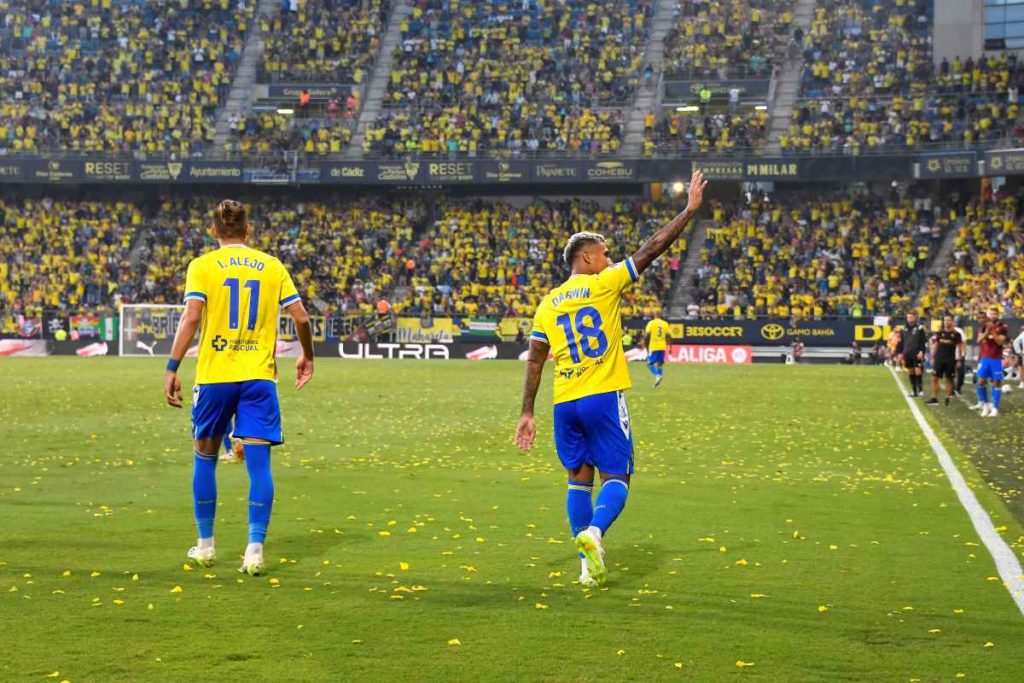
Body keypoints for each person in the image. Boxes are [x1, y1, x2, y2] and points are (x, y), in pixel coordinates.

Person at [514, 170, 708, 587]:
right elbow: (652, 248)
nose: (609, 258)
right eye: (603, 253)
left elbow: (534, 361)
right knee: (617, 478)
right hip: (602, 396)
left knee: (577, 480)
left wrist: (527, 412)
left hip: (564, 402)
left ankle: (586, 568)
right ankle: (595, 533)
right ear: (586, 258)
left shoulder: (546, 305)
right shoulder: (603, 284)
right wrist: (688, 211)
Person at [164, 199, 315, 576]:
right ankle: (254, 551)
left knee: (205, 457)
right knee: (259, 464)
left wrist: (172, 366)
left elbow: (192, 316)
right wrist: (307, 356)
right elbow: (301, 316)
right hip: (259, 377)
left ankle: (205, 547)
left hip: (215, 376)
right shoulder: (271, 266)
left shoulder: (202, 266)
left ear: (214, 231)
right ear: (249, 231)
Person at [974, 306, 1009, 417]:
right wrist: (987, 331)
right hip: (985, 359)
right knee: (980, 382)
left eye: (995, 313)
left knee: (997, 382)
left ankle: (995, 408)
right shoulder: (983, 327)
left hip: (996, 359)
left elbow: (999, 342)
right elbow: (979, 340)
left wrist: (992, 331)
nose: (993, 315)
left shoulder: (1002, 327)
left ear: (998, 315)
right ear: (988, 315)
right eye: (991, 313)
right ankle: (986, 405)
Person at [927, 315, 964, 407]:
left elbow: (960, 347)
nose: (947, 321)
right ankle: (934, 398)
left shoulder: (956, 334)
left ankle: (947, 397)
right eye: (945, 320)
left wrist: (959, 360)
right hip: (939, 359)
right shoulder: (940, 332)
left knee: (949, 379)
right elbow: (936, 345)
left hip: (950, 359)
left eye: (949, 320)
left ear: (952, 321)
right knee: (934, 378)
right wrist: (932, 357)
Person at [901, 312, 928, 397]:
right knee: (911, 371)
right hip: (907, 352)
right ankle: (914, 390)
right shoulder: (903, 328)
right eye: (908, 317)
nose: (909, 319)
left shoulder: (920, 328)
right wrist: (901, 352)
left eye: (911, 317)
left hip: (917, 353)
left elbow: (923, 341)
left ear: (915, 317)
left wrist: (922, 351)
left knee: (918, 371)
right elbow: (902, 341)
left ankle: (920, 390)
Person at [644, 313, 672, 387]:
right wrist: (670, 347)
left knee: (649, 364)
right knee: (659, 364)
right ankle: (658, 383)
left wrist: (645, 344)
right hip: (662, 347)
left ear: (654, 316)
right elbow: (669, 336)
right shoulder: (665, 324)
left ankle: (657, 375)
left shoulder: (651, 323)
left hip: (653, 346)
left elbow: (647, 335)